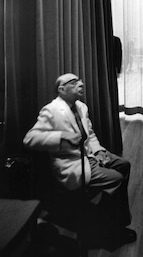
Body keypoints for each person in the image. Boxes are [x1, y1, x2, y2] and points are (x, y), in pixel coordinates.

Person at [23, 73, 136, 245]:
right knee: (117, 179)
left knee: (123, 165)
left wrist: (98, 150)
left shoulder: (81, 107)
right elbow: (30, 139)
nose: (81, 84)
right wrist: (60, 136)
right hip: (71, 163)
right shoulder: (51, 110)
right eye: (74, 82)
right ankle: (112, 230)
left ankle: (108, 217)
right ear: (61, 89)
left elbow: (90, 135)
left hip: (89, 155)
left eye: (80, 80)